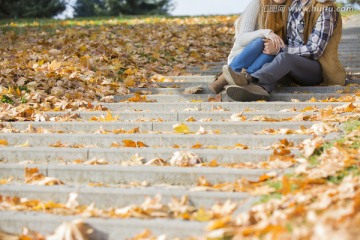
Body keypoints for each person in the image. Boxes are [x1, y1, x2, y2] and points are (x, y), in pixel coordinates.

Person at [225, 0, 346, 102]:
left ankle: (248, 79)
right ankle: (259, 90)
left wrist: (280, 49)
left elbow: (315, 50)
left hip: (317, 69)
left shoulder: (325, 10)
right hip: (292, 67)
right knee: (272, 59)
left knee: (284, 57)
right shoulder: (293, 5)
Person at [208, 0, 292, 94]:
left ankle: (238, 78)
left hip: (264, 63)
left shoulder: (293, 8)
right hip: (242, 57)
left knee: (273, 49)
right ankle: (232, 73)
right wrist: (266, 33)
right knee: (261, 41)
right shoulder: (257, 4)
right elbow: (241, 39)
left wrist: (277, 47)